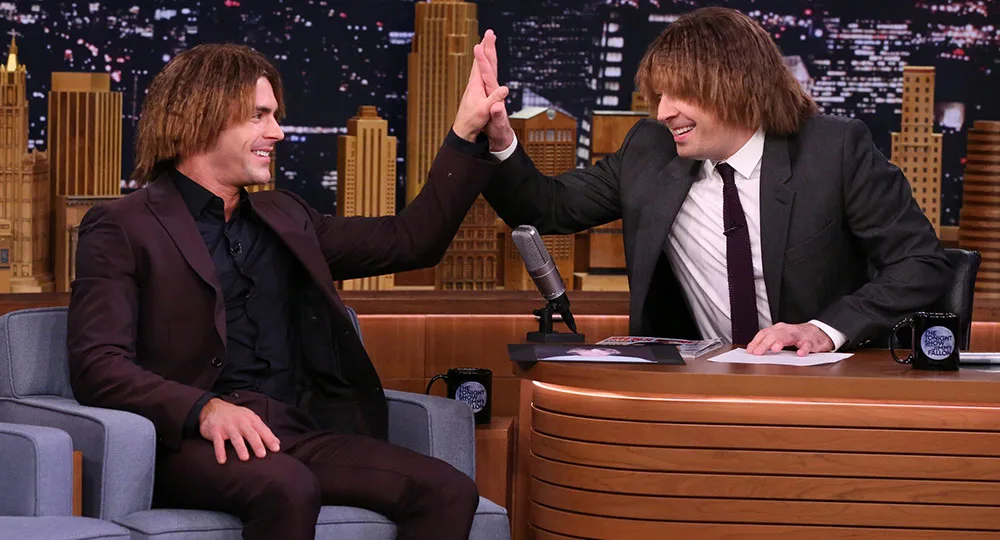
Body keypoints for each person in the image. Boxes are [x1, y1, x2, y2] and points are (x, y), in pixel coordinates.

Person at [67, 42, 507, 540]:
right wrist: (204, 409)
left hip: (295, 432)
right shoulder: (122, 226)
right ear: (201, 118)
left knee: (448, 489)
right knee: (288, 487)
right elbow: (98, 366)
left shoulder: (287, 216)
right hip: (190, 444)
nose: (277, 132)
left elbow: (413, 241)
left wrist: (467, 131)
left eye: (275, 115)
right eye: (259, 115)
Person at [472, 8, 952, 356]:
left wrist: (825, 329)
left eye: (679, 94)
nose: (663, 112)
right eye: (659, 95)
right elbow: (545, 208)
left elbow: (920, 263)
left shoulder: (834, 151)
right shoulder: (648, 150)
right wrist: (498, 136)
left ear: (737, 84)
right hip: (698, 390)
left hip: (823, 384)